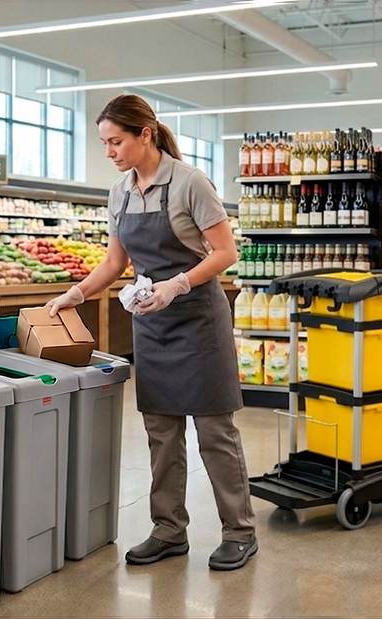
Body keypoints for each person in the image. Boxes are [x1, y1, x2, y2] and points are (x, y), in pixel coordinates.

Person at [45, 94, 257, 571]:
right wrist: (74, 296)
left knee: (214, 432)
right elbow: (115, 263)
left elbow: (226, 253)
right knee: (161, 432)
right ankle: (168, 529)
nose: (110, 152)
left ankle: (239, 531)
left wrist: (178, 284)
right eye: (104, 143)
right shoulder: (119, 192)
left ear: (145, 134)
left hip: (199, 321)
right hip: (154, 325)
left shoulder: (189, 183)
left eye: (116, 141)